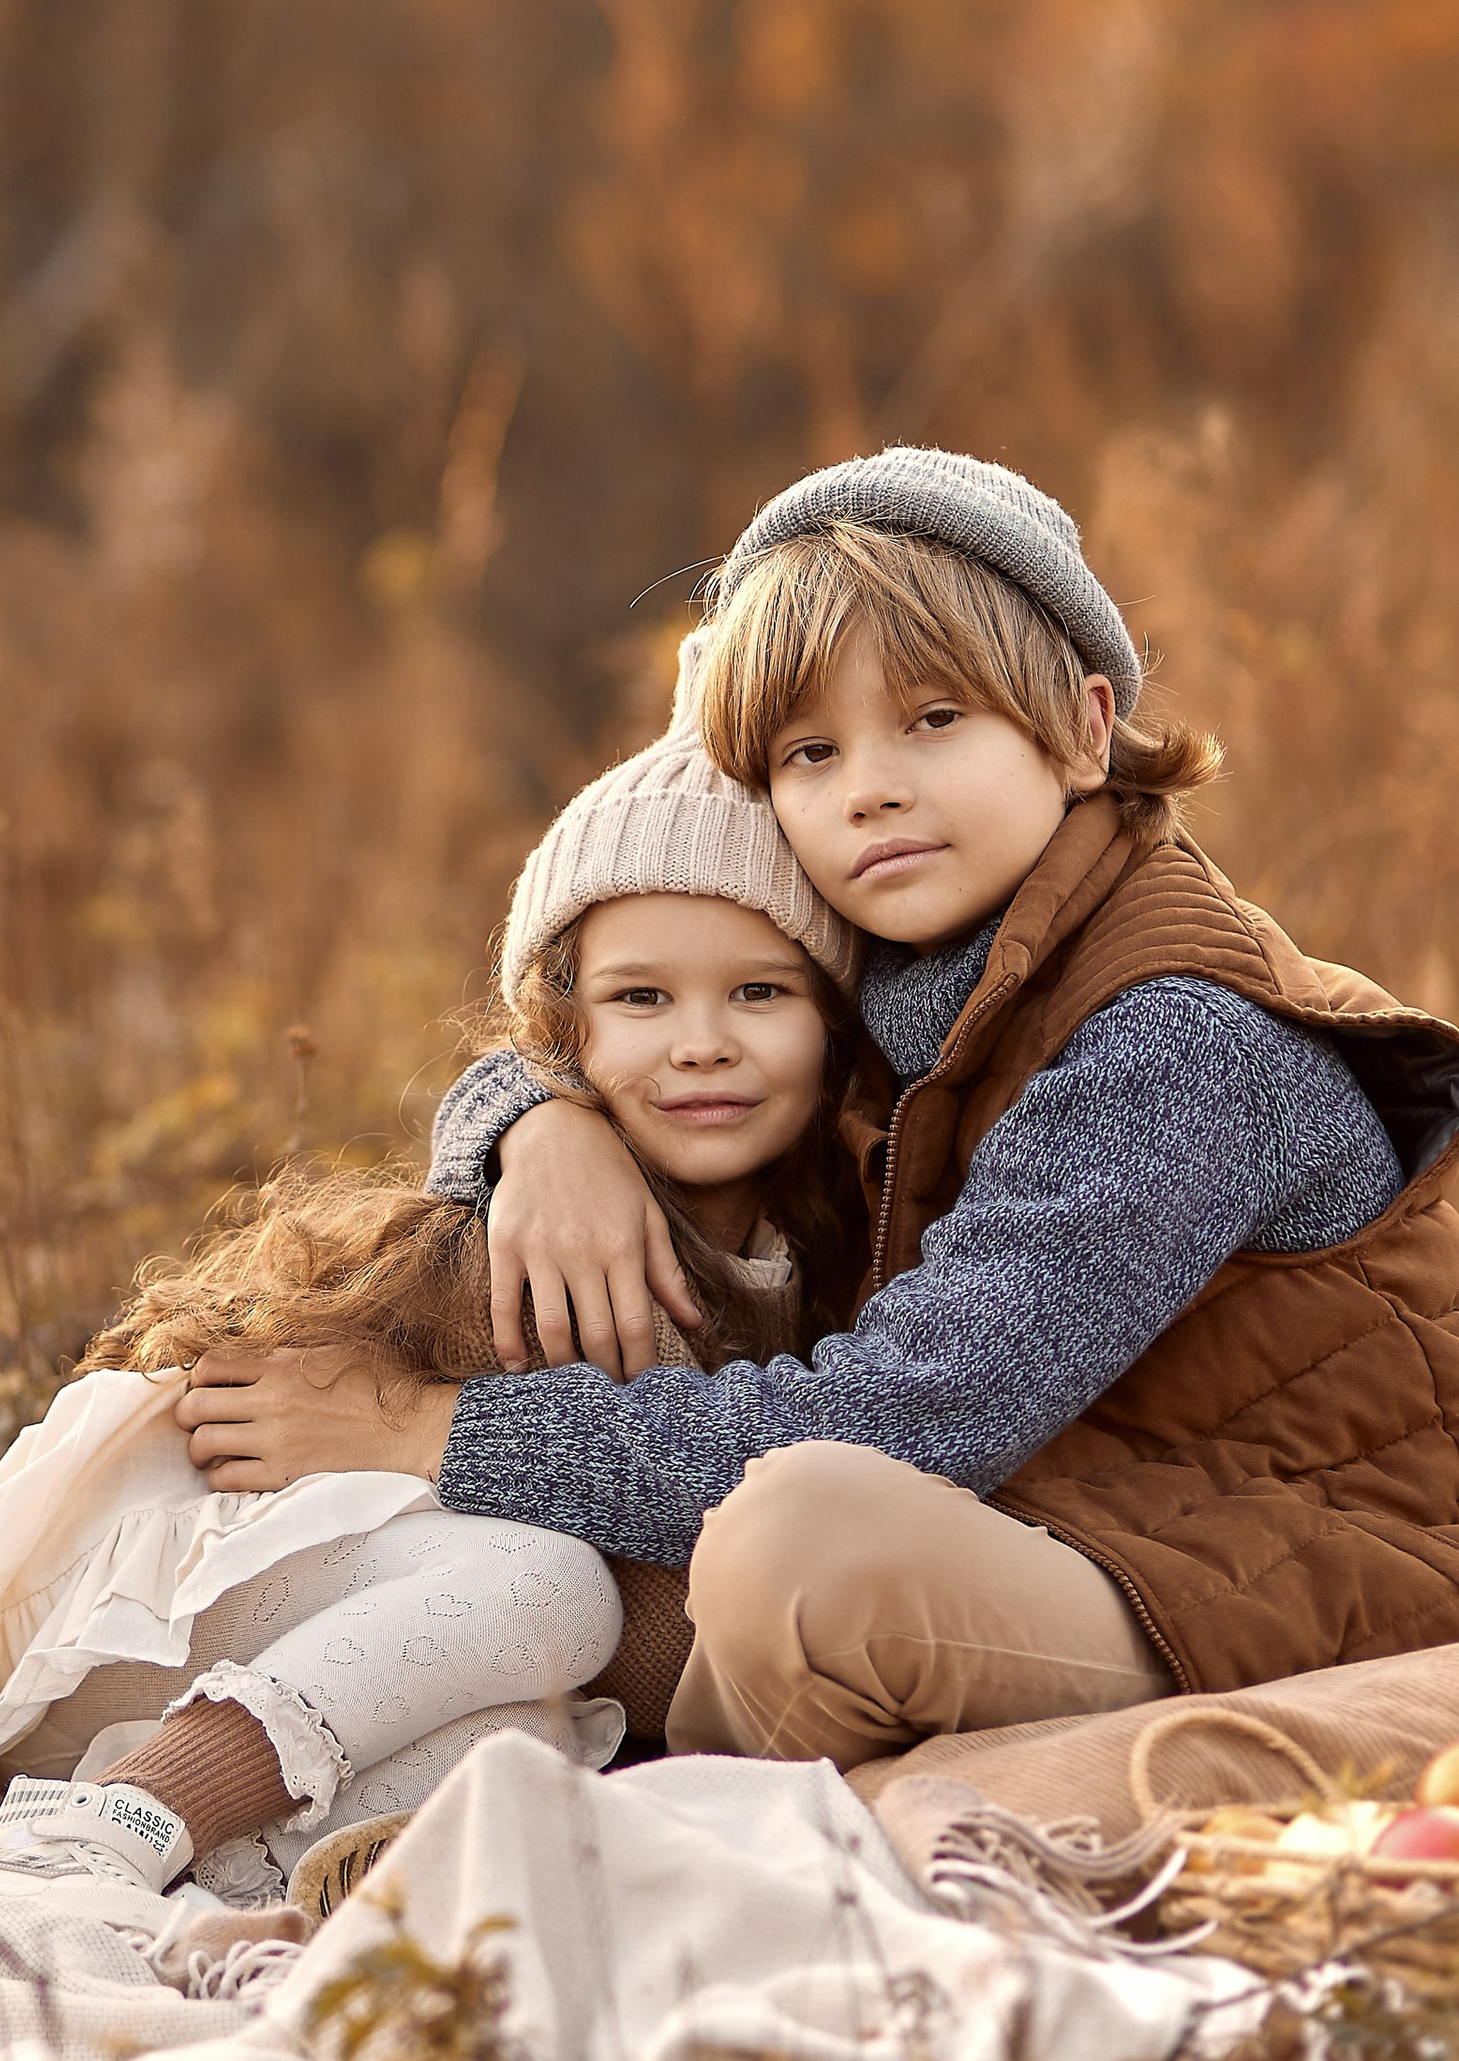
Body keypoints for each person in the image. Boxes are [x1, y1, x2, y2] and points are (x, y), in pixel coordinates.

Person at [179, 447, 1459, 1775]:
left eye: (934, 719)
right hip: (1090, 1532)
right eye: (810, 751)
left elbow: (906, 1423)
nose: (868, 788)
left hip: (1304, 1570)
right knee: (592, 1548)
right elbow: (636, 996)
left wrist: (425, 1430)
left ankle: (662, 1827)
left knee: (798, 1547)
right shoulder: (914, 979)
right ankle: (336, 1797)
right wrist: (541, 1119)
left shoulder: (1173, 1036)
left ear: (1084, 733)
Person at [0, 675, 861, 1918]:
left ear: (836, 1022)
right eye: (640, 998)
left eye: (759, 993)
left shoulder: (819, 1245)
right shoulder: (533, 1231)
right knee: (558, 1591)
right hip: (163, 1609)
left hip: (380, 1660)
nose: (700, 1043)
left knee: (543, 1743)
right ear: (563, 1032)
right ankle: (126, 1815)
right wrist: (528, 1120)